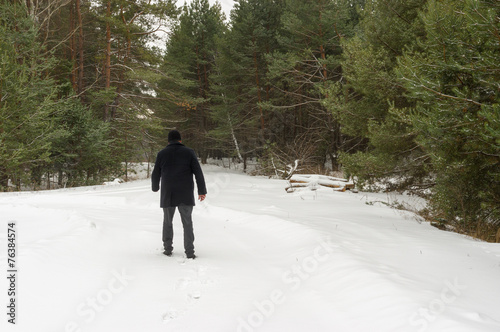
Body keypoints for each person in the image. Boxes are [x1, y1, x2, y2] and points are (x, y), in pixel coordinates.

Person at [151, 130, 207, 259]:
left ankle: (167, 249)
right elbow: (198, 172)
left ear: (168, 141)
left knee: (167, 221)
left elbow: (156, 173)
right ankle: (190, 252)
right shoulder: (189, 152)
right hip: (185, 192)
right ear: (180, 140)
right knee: (187, 222)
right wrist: (202, 191)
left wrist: (155, 187)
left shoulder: (162, 153)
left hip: (168, 192)